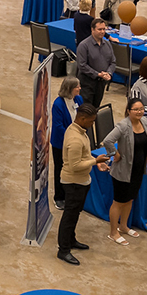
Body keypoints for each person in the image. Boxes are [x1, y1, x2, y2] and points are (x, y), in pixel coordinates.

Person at [57, 104, 108, 265]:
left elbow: (83, 157)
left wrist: (95, 163)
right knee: (69, 217)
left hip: (81, 181)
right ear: (82, 119)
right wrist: (95, 161)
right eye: (92, 121)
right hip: (73, 182)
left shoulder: (80, 131)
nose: (93, 124)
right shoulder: (75, 139)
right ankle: (63, 250)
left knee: (75, 214)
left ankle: (71, 240)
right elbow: (74, 165)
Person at [102, 98, 147, 247]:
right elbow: (107, 141)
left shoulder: (144, 122)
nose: (139, 112)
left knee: (130, 199)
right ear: (128, 111)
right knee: (118, 202)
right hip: (122, 171)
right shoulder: (123, 126)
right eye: (136, 109)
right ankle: (113, 232)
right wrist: (115, 153)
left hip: (137, 170)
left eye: (141, 109)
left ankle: (124, 226)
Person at [49, 77, 84, 211]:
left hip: (76, 141)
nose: (79, 88)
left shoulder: (78, 99)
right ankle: (59, 197)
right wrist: (73, 137)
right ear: (70, 89)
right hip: (61, 143)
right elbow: (58, 126)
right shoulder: (58, 104)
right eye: (77, 86)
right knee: (61, 169)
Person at [75, 18, 114, 109]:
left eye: (104, 29)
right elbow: (82, 65)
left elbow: (113, 62)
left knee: (96, 108)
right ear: (92, 29)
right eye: (99, 29)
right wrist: (97, 74)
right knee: (86, 110)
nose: (102, 32)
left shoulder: (108, 45)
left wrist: (109, 73)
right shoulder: (84, 45)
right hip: (87, 84)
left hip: (100, 84)